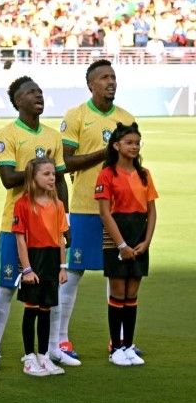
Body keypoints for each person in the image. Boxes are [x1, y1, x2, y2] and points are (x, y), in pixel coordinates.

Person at [0, 77, 72, 371]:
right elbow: (8, 179)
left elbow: (59, 180)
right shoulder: (7, 134)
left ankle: (51, 351)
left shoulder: (52, 135)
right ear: (17, 101)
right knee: (7, 287)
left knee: (49, 291)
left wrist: (65, 218)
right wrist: (35, 173)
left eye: (41, 92)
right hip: (17, 225)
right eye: (31, 92)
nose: (39, 96)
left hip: (48, 228)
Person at [59, 60, 136, 359]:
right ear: (91, 84)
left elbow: (132, 163)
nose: (111, 82)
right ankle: (61, 338)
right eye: (104, 77)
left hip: (120, 210)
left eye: (113, 77)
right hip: (85, 207)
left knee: (117, 272)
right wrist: (104, 154)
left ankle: (117, 340)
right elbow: (67, 162)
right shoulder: (76, 116)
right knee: (73, 270)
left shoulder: (127, 119)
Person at [95, 123, 156, 367]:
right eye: (129, 142)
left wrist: (146, 242)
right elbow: (104, 213)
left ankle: (129, 346)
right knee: (118, 292)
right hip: (116, 238)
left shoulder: (145, 174)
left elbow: (151, 211)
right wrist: (121, 244)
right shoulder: (107, 174)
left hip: (139, 236)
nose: (134, 147)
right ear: (116, 145)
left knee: (132, 294)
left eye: (137, 143)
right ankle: (115, 348)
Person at [11, 158, 69, 377]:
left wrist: (63, 267)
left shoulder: (58, 205)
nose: (52, 178)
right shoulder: (23, 204)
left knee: (46, 309)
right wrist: (27, 269)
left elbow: (61, 238)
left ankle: (44, 355)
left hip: (52, 261)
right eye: (46, 174)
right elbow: (20, 239)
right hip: (33, 261)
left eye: (53, 174)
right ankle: (29, 356)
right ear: (33, 177)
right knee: (31, 309)